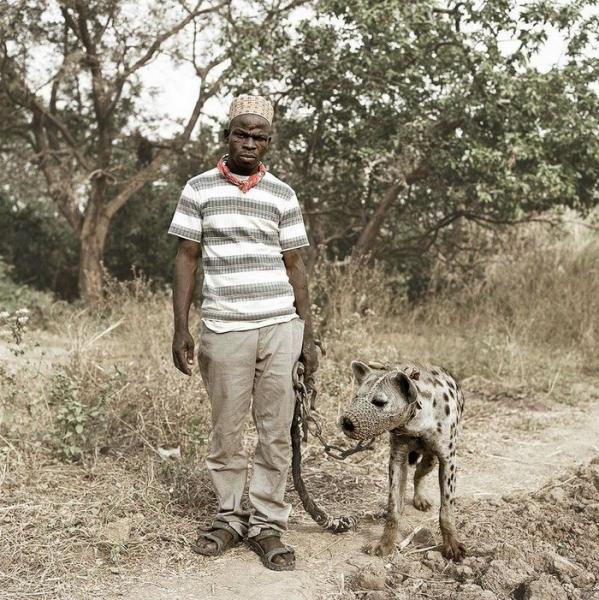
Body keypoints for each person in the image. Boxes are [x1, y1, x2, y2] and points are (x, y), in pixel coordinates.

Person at [169, 95, 319, 571]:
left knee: (275, 433)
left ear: (268, 142)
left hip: (279, 327)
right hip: (223, 327)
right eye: (242, 134)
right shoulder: (198, 189)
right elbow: (186, 258)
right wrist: (180, 327)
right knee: (227, 432)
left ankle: (268, 525)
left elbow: (295, 266)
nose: (250, 143)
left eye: (259, 137)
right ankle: (230, 518)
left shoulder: (282, 194)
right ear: (227, 135)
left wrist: (307, 335)